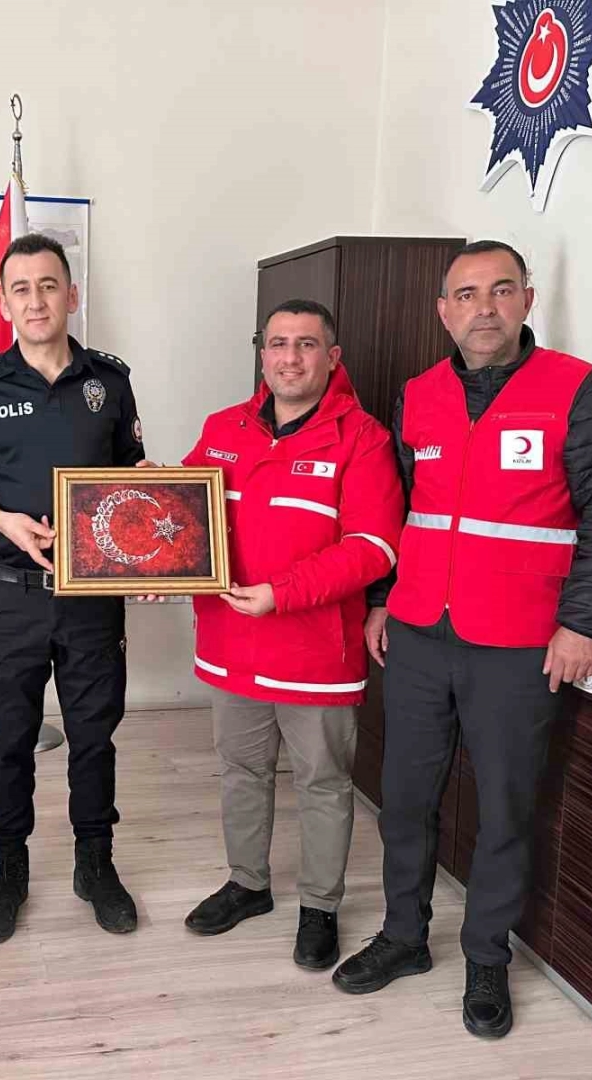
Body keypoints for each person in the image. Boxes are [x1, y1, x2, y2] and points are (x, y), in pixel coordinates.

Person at [332, 241, 592, 1039]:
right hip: (418, 633)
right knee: (405, 797)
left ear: (527, 300)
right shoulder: (418, 396)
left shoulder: (583, 390)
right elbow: (399, 512)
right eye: (467, 294)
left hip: (520, 643)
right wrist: (382, 601)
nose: (485, 308)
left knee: (505, 807)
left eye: (501, 290)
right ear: (444, 311)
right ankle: (404, 936)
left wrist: (583, 623)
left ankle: (486, 958)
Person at [181, 299, 403, 970]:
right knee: (242, 772)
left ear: (332, 358)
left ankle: (320, 907)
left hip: (316, 654)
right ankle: (248, 884)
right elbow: (182, 510)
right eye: (278, 343)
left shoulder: (363, 438)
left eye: (306, 344)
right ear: (262, 354)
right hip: (230, 644)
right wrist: (156, 559)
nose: (290, 357)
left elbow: (374, 547)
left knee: (323, 784)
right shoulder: (222, 428)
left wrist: (283, 593)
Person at [0, 233, 148, 944]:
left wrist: (155, 536)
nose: (36, 300)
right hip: (11, 594)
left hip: (93, 598)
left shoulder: (109, 382)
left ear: (71, 294)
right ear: (3, 301)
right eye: (21, 288)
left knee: (93, 736)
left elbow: (134, 476)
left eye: (49, 285)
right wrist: (0, 518)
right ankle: (8, 869)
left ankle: (96, 863)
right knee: (11, 738)